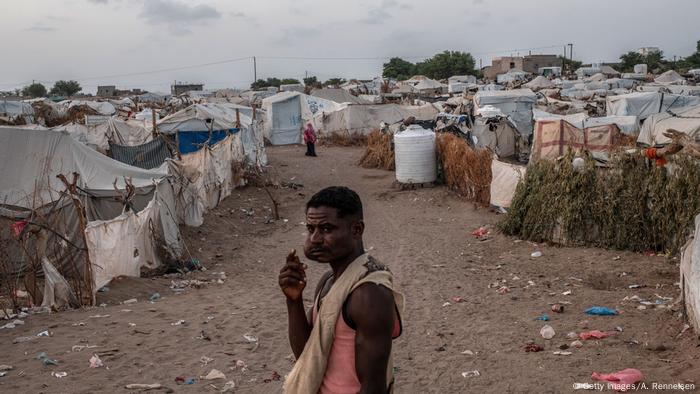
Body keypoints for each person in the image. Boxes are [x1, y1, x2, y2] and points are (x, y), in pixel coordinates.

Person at [279, 186, 403, 394]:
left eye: (326, 229)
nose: (315, 239)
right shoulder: (329, 280)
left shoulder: (368, 295)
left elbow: (374, 387)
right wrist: (294, 300)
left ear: (356, 230)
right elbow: (308, 354)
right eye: (311, 229)